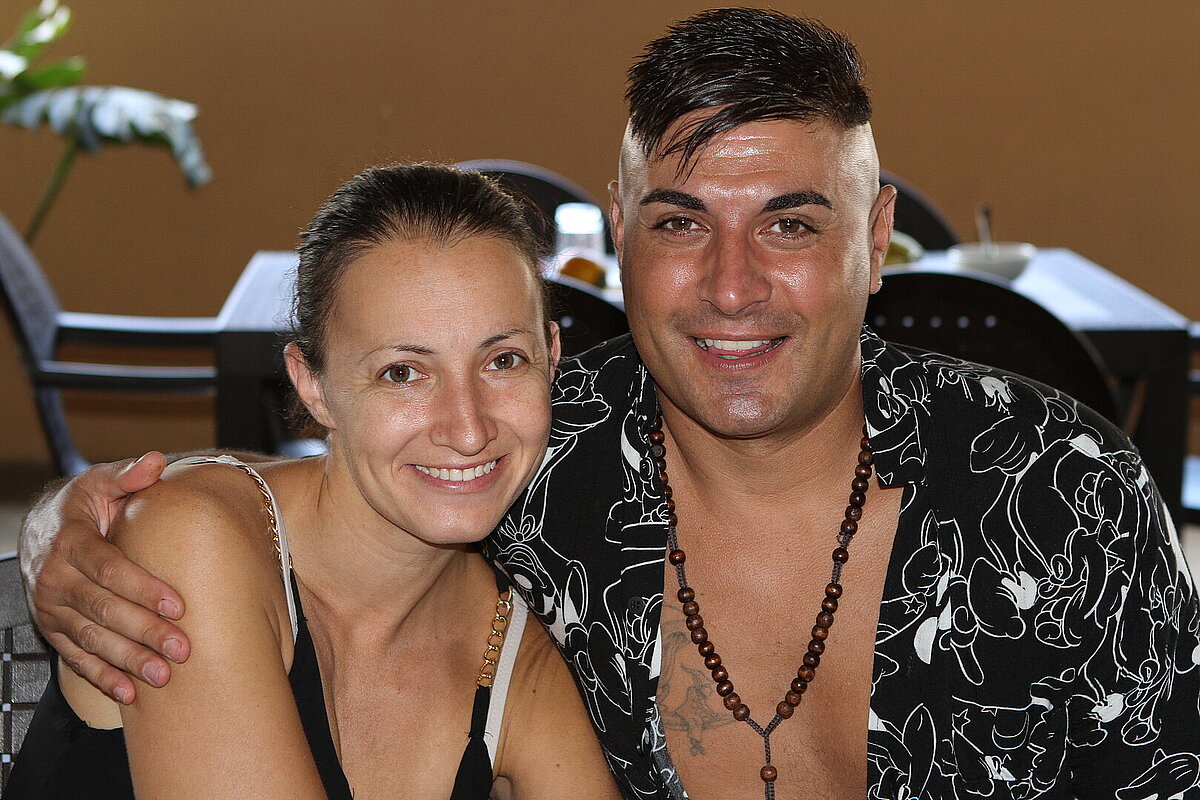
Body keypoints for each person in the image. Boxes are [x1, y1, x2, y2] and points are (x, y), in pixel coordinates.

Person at [20, 8, 1200, 800]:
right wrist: (74, 522)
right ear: (618, 231)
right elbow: (340, 492)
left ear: (877, 234)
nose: (731, 286)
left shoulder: (1064, 490)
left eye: (791, 223)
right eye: (681, 222)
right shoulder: (539, 463)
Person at [7, 163, 619, 799]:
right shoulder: (194, 540)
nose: (468, 430)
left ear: (552, 357)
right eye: (403, 373)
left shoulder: (516, 653)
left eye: (504, 360)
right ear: (312, 384)